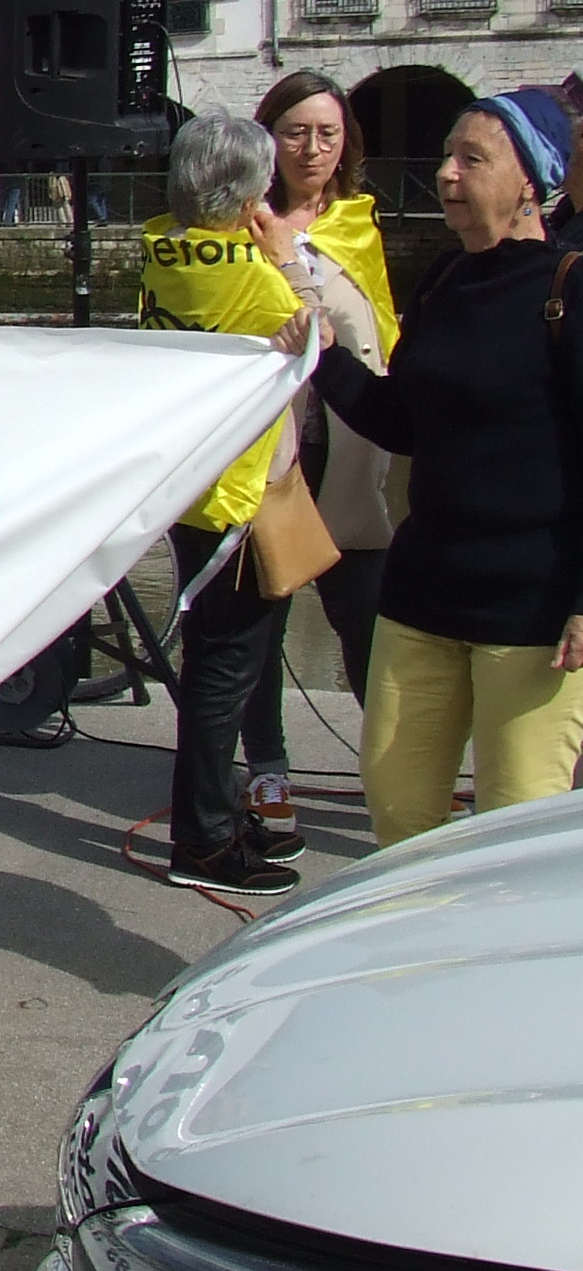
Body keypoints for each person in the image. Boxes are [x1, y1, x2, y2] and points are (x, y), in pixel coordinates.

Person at [275, 88, 583, 844]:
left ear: (530, 181)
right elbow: (401, 422)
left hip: (532, 611)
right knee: (401, 815)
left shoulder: (568, 288)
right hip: (422, 593)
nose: (446, 173)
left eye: (471, 159)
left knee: (516, 837)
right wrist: (323, 359)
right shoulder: (445, 281)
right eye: (447, 155)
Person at [138, 114, 313, 898]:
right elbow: (322, 336)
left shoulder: (165, 255)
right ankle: (204, 838)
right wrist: (290, 255)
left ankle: (208, 822)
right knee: (223, 673)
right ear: (249, 195)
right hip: (236, 498)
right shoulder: (250, 275)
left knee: (218, 662)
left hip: (189, 485)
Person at [234, 73, 398, 860]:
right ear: (270, 139)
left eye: (328, 134)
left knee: (369, 624)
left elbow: (372, 335)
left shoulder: (359, 226)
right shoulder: (238, 226)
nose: (313, 149)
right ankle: (266, 771)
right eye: (297, 132)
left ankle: (399, 770)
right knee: (259, 628)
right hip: (272, 458)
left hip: (352, 459)